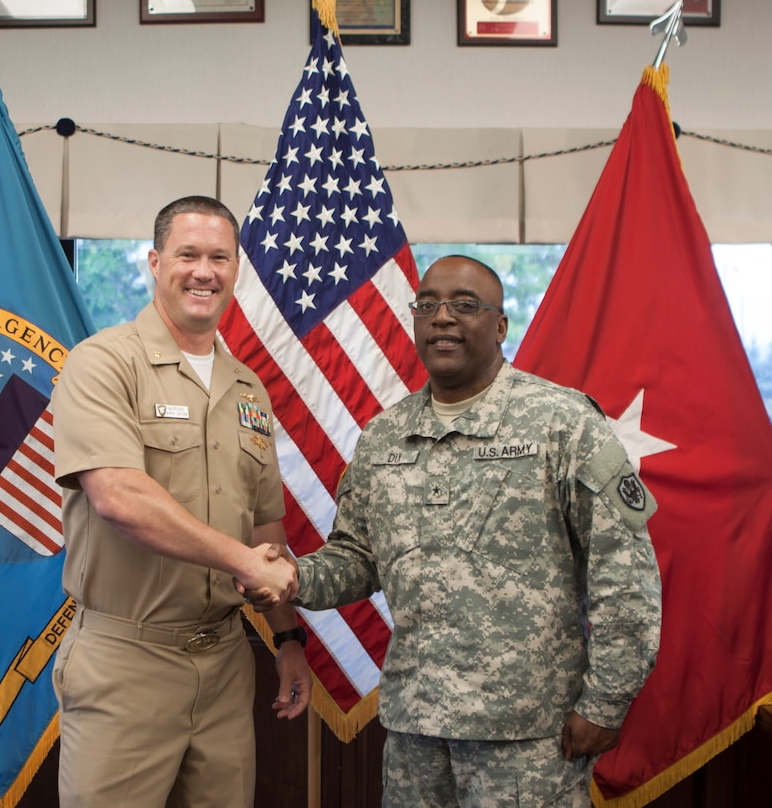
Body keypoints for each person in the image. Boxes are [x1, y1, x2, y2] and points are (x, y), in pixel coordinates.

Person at [254, 255, 662, 805]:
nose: (443, 318)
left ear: (499, 326)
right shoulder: (384, 438)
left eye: (465, 306)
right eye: (428, 306)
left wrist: (605, 703)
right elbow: (356, 559)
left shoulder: (564, 424)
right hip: (415, 732)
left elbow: (626, 581)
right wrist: (293, 577)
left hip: (528, 739)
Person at [51, 195, 311, 808]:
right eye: (187, 254)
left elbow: (264, 528)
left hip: (224, 663)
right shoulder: (105, 363)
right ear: (153, 261)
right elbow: (119, 497)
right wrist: (246, 565)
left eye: (219, 257)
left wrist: (287, 639)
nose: (204, 271)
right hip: (126, 662)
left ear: (236, 269)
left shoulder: (248, 389)